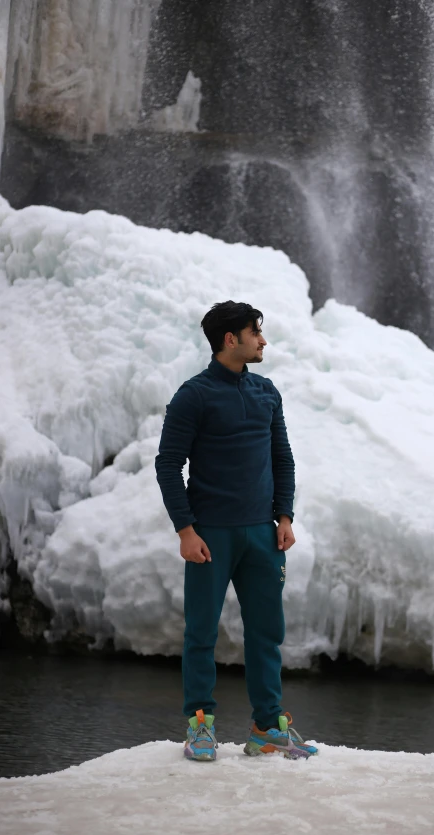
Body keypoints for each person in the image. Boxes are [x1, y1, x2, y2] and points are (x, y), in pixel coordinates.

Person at [155, 300, 317, 761]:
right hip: (212, 535)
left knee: (267, 632)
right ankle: (200, 726)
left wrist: (284, 516)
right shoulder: (194, 395)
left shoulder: (267, 392)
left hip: (263, 536)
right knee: (202, 633)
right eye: (255, 332)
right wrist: (186, 530)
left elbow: (281, 458)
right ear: (231, 339)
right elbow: (168, 465)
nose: (262, 340)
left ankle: (267, 726)